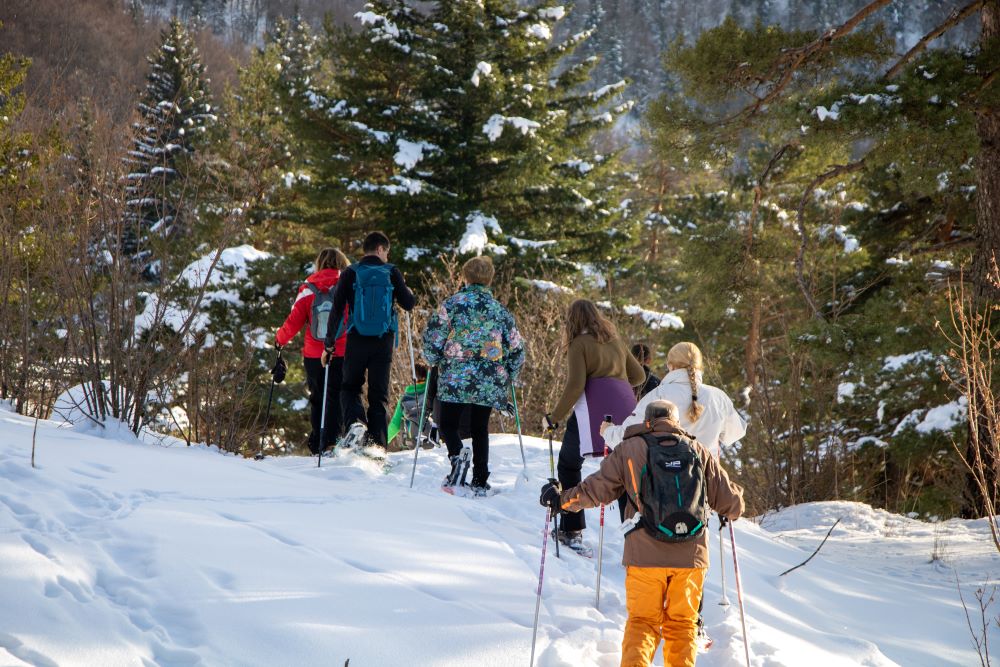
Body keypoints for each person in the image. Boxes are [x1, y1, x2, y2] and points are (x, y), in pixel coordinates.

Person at [540, 400, 744, 667]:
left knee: (643, 623)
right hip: (692, 558)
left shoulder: (630, 448)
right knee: (682, 624)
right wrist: (736, 492)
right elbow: (733, 505)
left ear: (647, 421)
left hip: (644, 555)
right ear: (675, 422)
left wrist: (560, 500)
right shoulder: (698, 450)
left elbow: (595, 490)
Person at [542, 299, 645, 555]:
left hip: (592, 412)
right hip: (624, 411)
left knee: (568, 464)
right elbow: (639, 376)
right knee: (625, 468)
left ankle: (571, 529)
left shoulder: (578, 344)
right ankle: (634, 536)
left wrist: (553, 417)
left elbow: (576, 385)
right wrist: (615, 383)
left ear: (572, 321)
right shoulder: (615, 342)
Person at [422, 256, 524, 495]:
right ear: (489, 279)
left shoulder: (451, 305)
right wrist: (507, 372)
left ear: (465, 277)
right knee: (480, 427)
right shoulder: (499, 311)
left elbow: (433, 337)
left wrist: (433, 359)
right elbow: (517, 348)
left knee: (448, 423)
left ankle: (457, 457)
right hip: (488, 379)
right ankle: (480, 478)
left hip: (455, 376)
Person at [324, 231, 415, 447]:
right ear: (380, 249)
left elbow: (337, 310)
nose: (386, 257)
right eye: (386, 252)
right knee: (379, 396)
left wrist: (329, 343)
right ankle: (378, 446)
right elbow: (408, 303)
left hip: (356, 339)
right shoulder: (392, 272)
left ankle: (356, 424)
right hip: (383, 342)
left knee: (350, 388)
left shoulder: (350, 272)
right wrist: (408, 292)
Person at [602, 342, 746, 455]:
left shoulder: (658, 395)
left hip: (664, 481)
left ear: (670, 366)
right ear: (699, 366)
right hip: (706, 482)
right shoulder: (718, 397)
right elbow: (735, 433)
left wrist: (607, 431)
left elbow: (625, 437)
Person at [275, 248, 350, 454]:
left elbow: (294, 320)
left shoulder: (308, 288)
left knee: (318, 397)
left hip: (314, 353)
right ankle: (335, 441)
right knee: (338, 395)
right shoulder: (348, 284)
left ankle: (320, 441)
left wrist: (279, 339)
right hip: (342, 349)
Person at [387, 363, 428, 448]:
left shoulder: (405, 398)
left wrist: (382, 442)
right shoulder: (432, 394)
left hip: (413, 439)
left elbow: (395, 425)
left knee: (402, 419)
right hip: (433, 437)